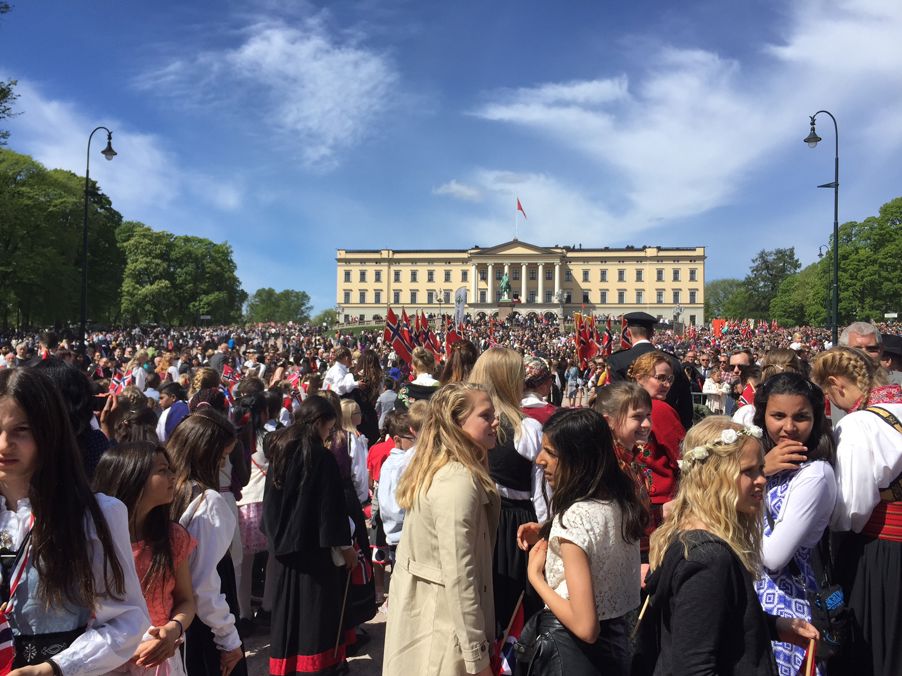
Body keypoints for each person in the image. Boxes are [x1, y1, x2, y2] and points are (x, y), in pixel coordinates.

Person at [638, 416, 819, 674]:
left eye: (761, 468)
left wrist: (773, 626)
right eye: (749, 471)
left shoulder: (689, 534)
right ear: (714, 477)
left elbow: (711, 621)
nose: (762, 479)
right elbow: (693, 667)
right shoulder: (708, 559)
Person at [0, 367, 150, 674]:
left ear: (49, 431)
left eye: (21, 430)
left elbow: (128, 619)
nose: (4, 444)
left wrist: (56, 668)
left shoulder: (95, 515)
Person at [517, 408, 646, 674]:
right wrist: (548, 531)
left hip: (572, 652)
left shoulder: (575, 518)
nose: (540, 460)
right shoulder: (622, 502)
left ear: (579, 459)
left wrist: (535, 576)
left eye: (551, 453)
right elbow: (599, 542)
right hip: (616, 651)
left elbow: (586, 627)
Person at [383, 382, 500, 676]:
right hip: (443, 631)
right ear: (457, 423)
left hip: (435, 621)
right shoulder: (457, 481)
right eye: (486, 416)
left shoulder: (446, 467)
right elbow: (461, 576)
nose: (496, 421)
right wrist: (478, 658)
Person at [811, 346, 902, 676]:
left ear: (836, 383)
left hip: (881, 554)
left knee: (874, 648)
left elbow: (851, 509)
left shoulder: (859, 425)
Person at [262, 396, 357, 675]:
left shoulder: (279, 451)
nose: (329, 433)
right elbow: (330, 510)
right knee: (315, 616)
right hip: (314, 553)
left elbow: (270, 504)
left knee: (288, 615)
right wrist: (345, 547)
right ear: (318, 423)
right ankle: (316, 669)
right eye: (328, 427)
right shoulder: (321, 457)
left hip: (284, 551)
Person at [751, 373, 837, 676]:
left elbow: (773, 557)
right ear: (762, 416)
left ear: (816, 419)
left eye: (801, 417)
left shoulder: (815, 474)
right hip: (755, 601)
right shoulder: (764, 459)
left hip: (788, 607)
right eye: (778, 416)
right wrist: (763, 468)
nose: (788, 427)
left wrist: (758, 474)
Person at [93, 441, 197, 676]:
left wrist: (173, 629)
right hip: (104, 661)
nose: (173, 476)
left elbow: (186, 600)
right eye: (162, 470)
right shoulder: (94, 540)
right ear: (132, 477)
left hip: (158, 660)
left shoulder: (173, 537)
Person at [468, 347, 546, 637]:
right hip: (517, 524)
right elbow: (541, 492)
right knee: (518, 608)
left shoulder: (465, 426)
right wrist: (546, 530)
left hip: (479, 519)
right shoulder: (526, 428)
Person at [167, 409, 247, 676]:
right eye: (222, 457)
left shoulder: (170, 491)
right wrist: (228, 639)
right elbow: (204, 584)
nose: (224, 465)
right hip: (206, 628)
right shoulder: (207, 501)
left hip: (180, 617)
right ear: (206, 453)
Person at [627, 351, 685, 534]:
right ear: (640, 378)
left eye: (670, 379)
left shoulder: (622, 405)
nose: (666, 384)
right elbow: (683, 455)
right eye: (660, 378)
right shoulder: (659, 409)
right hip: (662, 500)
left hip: (633, 497)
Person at [605, 312, 694, 428]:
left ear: (628, 332)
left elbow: (614, 399)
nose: (666, 383)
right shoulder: (673, 361)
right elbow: (685, 403)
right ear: (652, 333)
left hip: (631, 428)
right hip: (667, 426)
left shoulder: (617, 360)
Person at [521, 356, 557, 424]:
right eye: (550, 378)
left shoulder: (510, 410)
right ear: (542, 385)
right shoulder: (551, 414)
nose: (551, 381)